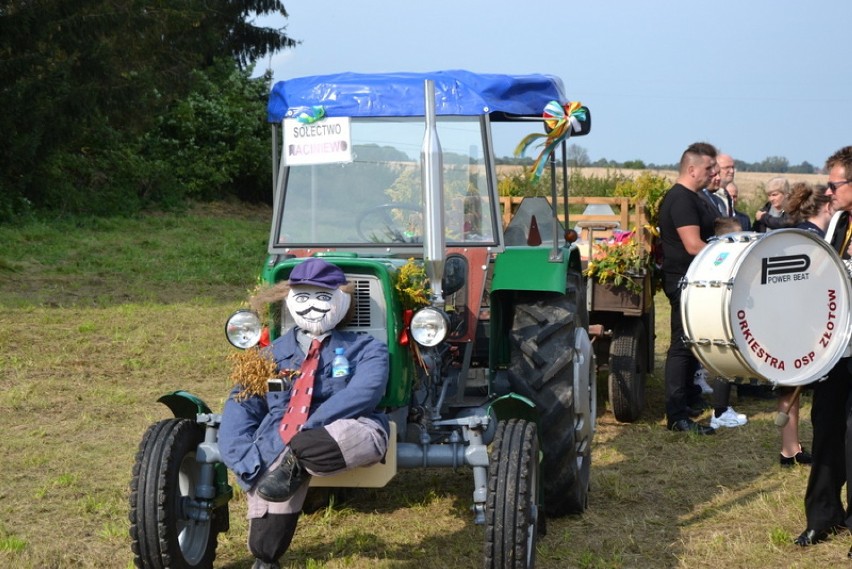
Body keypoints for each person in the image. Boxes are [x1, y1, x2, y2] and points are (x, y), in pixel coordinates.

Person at [219, 258, 391, 569]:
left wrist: (303, 430)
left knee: (356, 436)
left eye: (323, 297)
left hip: (346, 428)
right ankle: (267, 557)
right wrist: (241, 454)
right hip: (280, 437)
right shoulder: (269, 355)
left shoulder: (366, 348)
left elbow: (365, 392)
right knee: (264, 540)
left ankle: (294, 458)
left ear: (343, 301)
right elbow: (241, 402)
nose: (313, 306)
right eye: (303, 297)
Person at [795, 146, 852, 550]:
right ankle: (823, 516)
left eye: (834, 184)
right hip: (838, 346)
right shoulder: (839, 222)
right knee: (826, 426)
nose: (828, 192)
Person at [658, 141, 719, 434]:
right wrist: (727, 255)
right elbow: (693, 245)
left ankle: (687, 401)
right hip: (684, 280)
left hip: (695, 280)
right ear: (692, 169)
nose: (714, 172)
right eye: (709, 168)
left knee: (691, 342)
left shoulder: (695, 196)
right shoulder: (681, 199)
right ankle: (676, 415)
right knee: (682, 345)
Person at [775, 182, 832, 467]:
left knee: (791, 386)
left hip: (790, 317)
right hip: (802, 321)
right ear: (828, 207)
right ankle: (792, 449)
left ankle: (791, 448)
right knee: (797, 386)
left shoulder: (800, 233)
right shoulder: (816, 238)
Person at [703, 217, 748, 429]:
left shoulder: (713, 258)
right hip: (724, 316)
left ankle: (722, 408)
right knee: (725, 363)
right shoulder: (727, 259)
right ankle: (720, 411)